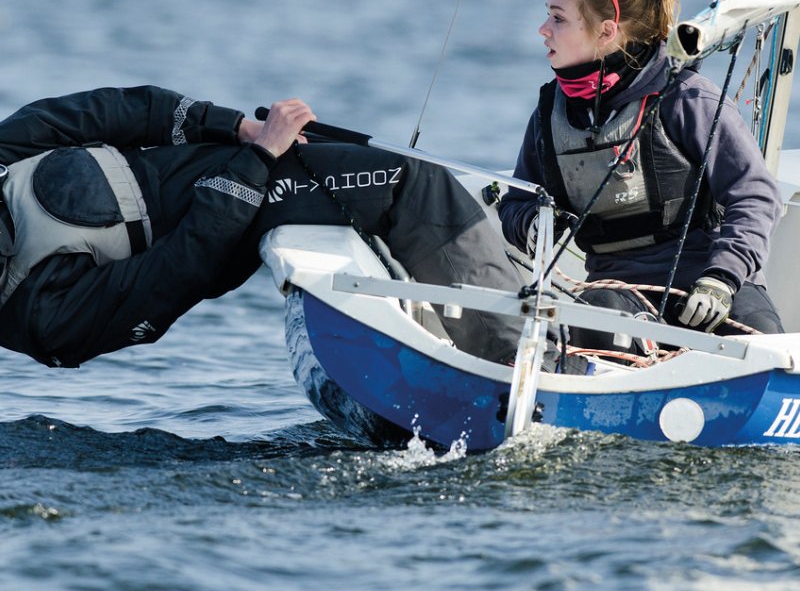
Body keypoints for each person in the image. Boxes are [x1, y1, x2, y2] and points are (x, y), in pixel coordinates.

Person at [0, 88, 524, 368]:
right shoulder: (41, 317)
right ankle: (512, 355)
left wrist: (235, 127)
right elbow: (180, 269)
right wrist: (258, 157)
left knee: (406, 179)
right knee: (407, 181)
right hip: (235, 216)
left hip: (240, 158)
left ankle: (512, 286)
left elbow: (109, 111)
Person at [498, 0, 784, 353]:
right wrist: (533, 224)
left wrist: (722, 277)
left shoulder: (688, 99)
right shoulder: (550, 116)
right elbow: (515, 203)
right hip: (617, 294)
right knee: (597, 316)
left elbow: (754, 195)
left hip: (711, 287)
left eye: (558, 18)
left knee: (766, 346)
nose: (543, 29)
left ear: (606, 30)